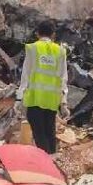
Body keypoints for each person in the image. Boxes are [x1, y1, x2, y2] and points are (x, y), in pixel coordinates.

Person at [15, 20, 68, 155]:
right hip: (51, 101)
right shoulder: (60, 51)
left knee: (39, 133)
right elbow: (63, 78)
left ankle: (46, 160)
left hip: (35, 99)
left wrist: (19, 98)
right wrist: (63, 102)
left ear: (37, 34)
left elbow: (25, 75)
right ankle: (52, 159)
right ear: (53, 35)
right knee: (50, 132)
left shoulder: (33, 49)